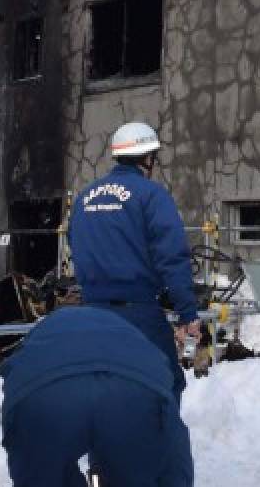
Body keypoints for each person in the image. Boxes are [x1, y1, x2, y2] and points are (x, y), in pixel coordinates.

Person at [67, 121, 200, 403]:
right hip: (138, 313)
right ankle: (155, 446)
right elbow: (172, 258)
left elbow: (76, 248)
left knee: (103, 389)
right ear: (148, 158)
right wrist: (187, 313)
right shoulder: (151, 196)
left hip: (92, 313)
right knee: (164, 385)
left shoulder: (84, 199)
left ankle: (106, 446)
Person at [0, 306, 194, 487]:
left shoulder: (36, 345)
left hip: (40, 395)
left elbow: (25, 449)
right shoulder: (136, 344)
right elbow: (174, 455)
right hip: (134, 392)